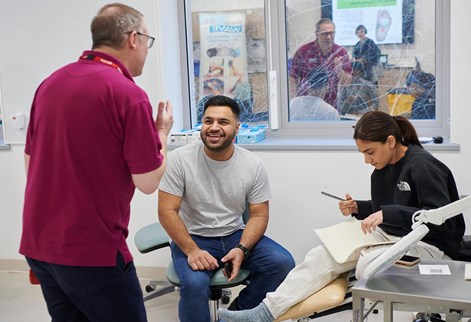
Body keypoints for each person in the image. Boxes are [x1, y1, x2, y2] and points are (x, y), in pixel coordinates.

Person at [219, 110, 465, 322]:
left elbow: (441, 221)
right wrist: (359, 207)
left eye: (370, 152)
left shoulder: (422, 166)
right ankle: (263, 312)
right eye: (363, 154)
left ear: (390, 141)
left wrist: (386, 213)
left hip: (429, 244)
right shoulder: (380, 171)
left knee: (368, 263)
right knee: (322, 254)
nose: (367, 160)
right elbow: (388, 208)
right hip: (393, 236)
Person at [19, 3, 174, 322]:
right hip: (92, 253)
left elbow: (29, 161)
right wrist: (162, 135)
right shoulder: (127, 94)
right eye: (148, 40)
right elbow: (147, 182)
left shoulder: (51, 83)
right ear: (134, 38)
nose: (147, 49)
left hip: (40, 246)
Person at [158, 95, 295, 322]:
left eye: (223, 122)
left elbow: (259, 214)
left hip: (234, 235)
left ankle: (235, 315)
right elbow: (166, 211)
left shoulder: (252, 165)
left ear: (237, 127)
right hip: (194, 238)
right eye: (208, 121)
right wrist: (192, 251)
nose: (214, 128)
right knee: (194, 285)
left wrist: (242, 248)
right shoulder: (180, 160)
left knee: (282, 263)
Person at [289, 18, 352, 107]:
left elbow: (348, 83)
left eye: (331, 33)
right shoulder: (304, 51)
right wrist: (294, 100)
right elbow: (293, 78)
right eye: (325, 34)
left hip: (330, 104)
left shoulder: (340, 52)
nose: (329, 37)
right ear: (317, 34)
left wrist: (339, 71)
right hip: (306, 103)